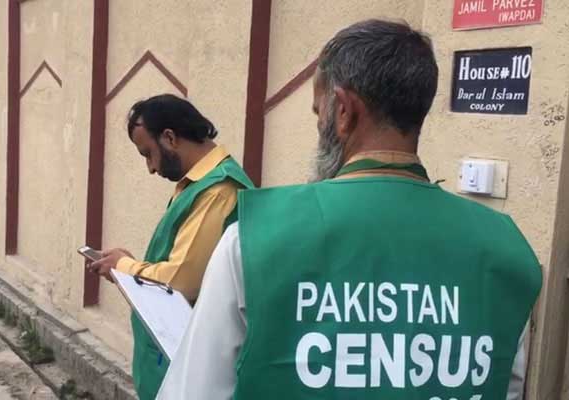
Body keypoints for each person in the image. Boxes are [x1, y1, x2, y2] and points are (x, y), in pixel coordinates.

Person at [157, 19, 542, 400]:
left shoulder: (253, 239)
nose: (318, 122)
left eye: (317, 111)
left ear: (343, 110)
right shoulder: (506, 251)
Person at [87, 94, 254, 400]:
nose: (150, 167)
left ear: (170, 138)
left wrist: (123, 267)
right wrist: (130, 264)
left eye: (148, 153)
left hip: (194, 365)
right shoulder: (197, 185)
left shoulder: (219, 191)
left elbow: (182, 281)